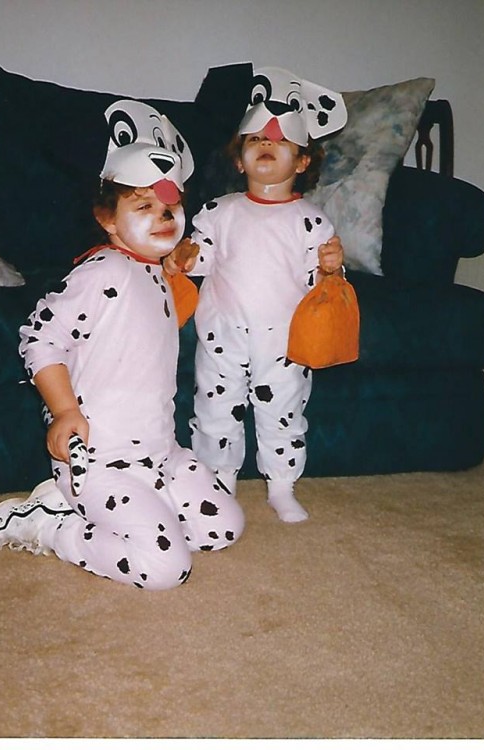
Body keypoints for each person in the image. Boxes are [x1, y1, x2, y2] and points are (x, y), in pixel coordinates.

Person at [0, 105, 244, 589]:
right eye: (142, 206)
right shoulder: (103, 271)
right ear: (107, 219)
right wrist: (63, 411)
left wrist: (172, 268)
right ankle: (50, 523)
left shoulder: (149, 271)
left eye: (169, 207)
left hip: (160, 452)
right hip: (100, 460)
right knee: (166, 569)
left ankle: (143, 513)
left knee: (222, 528)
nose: (162, 217)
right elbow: (40, 335)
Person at [164, 67, 347, 524]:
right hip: (223, 331)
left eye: (282, 142)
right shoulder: (220, 212)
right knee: (214, 407)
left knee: (283, 412)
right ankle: (218, 480)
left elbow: (326, 284)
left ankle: (281, 485)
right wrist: (184, 255)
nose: (267, 145)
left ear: (302, 163)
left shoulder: (311, 220)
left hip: (285, 341)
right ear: (240, 161)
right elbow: (199, 257)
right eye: (255, 141)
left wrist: (331, 267)